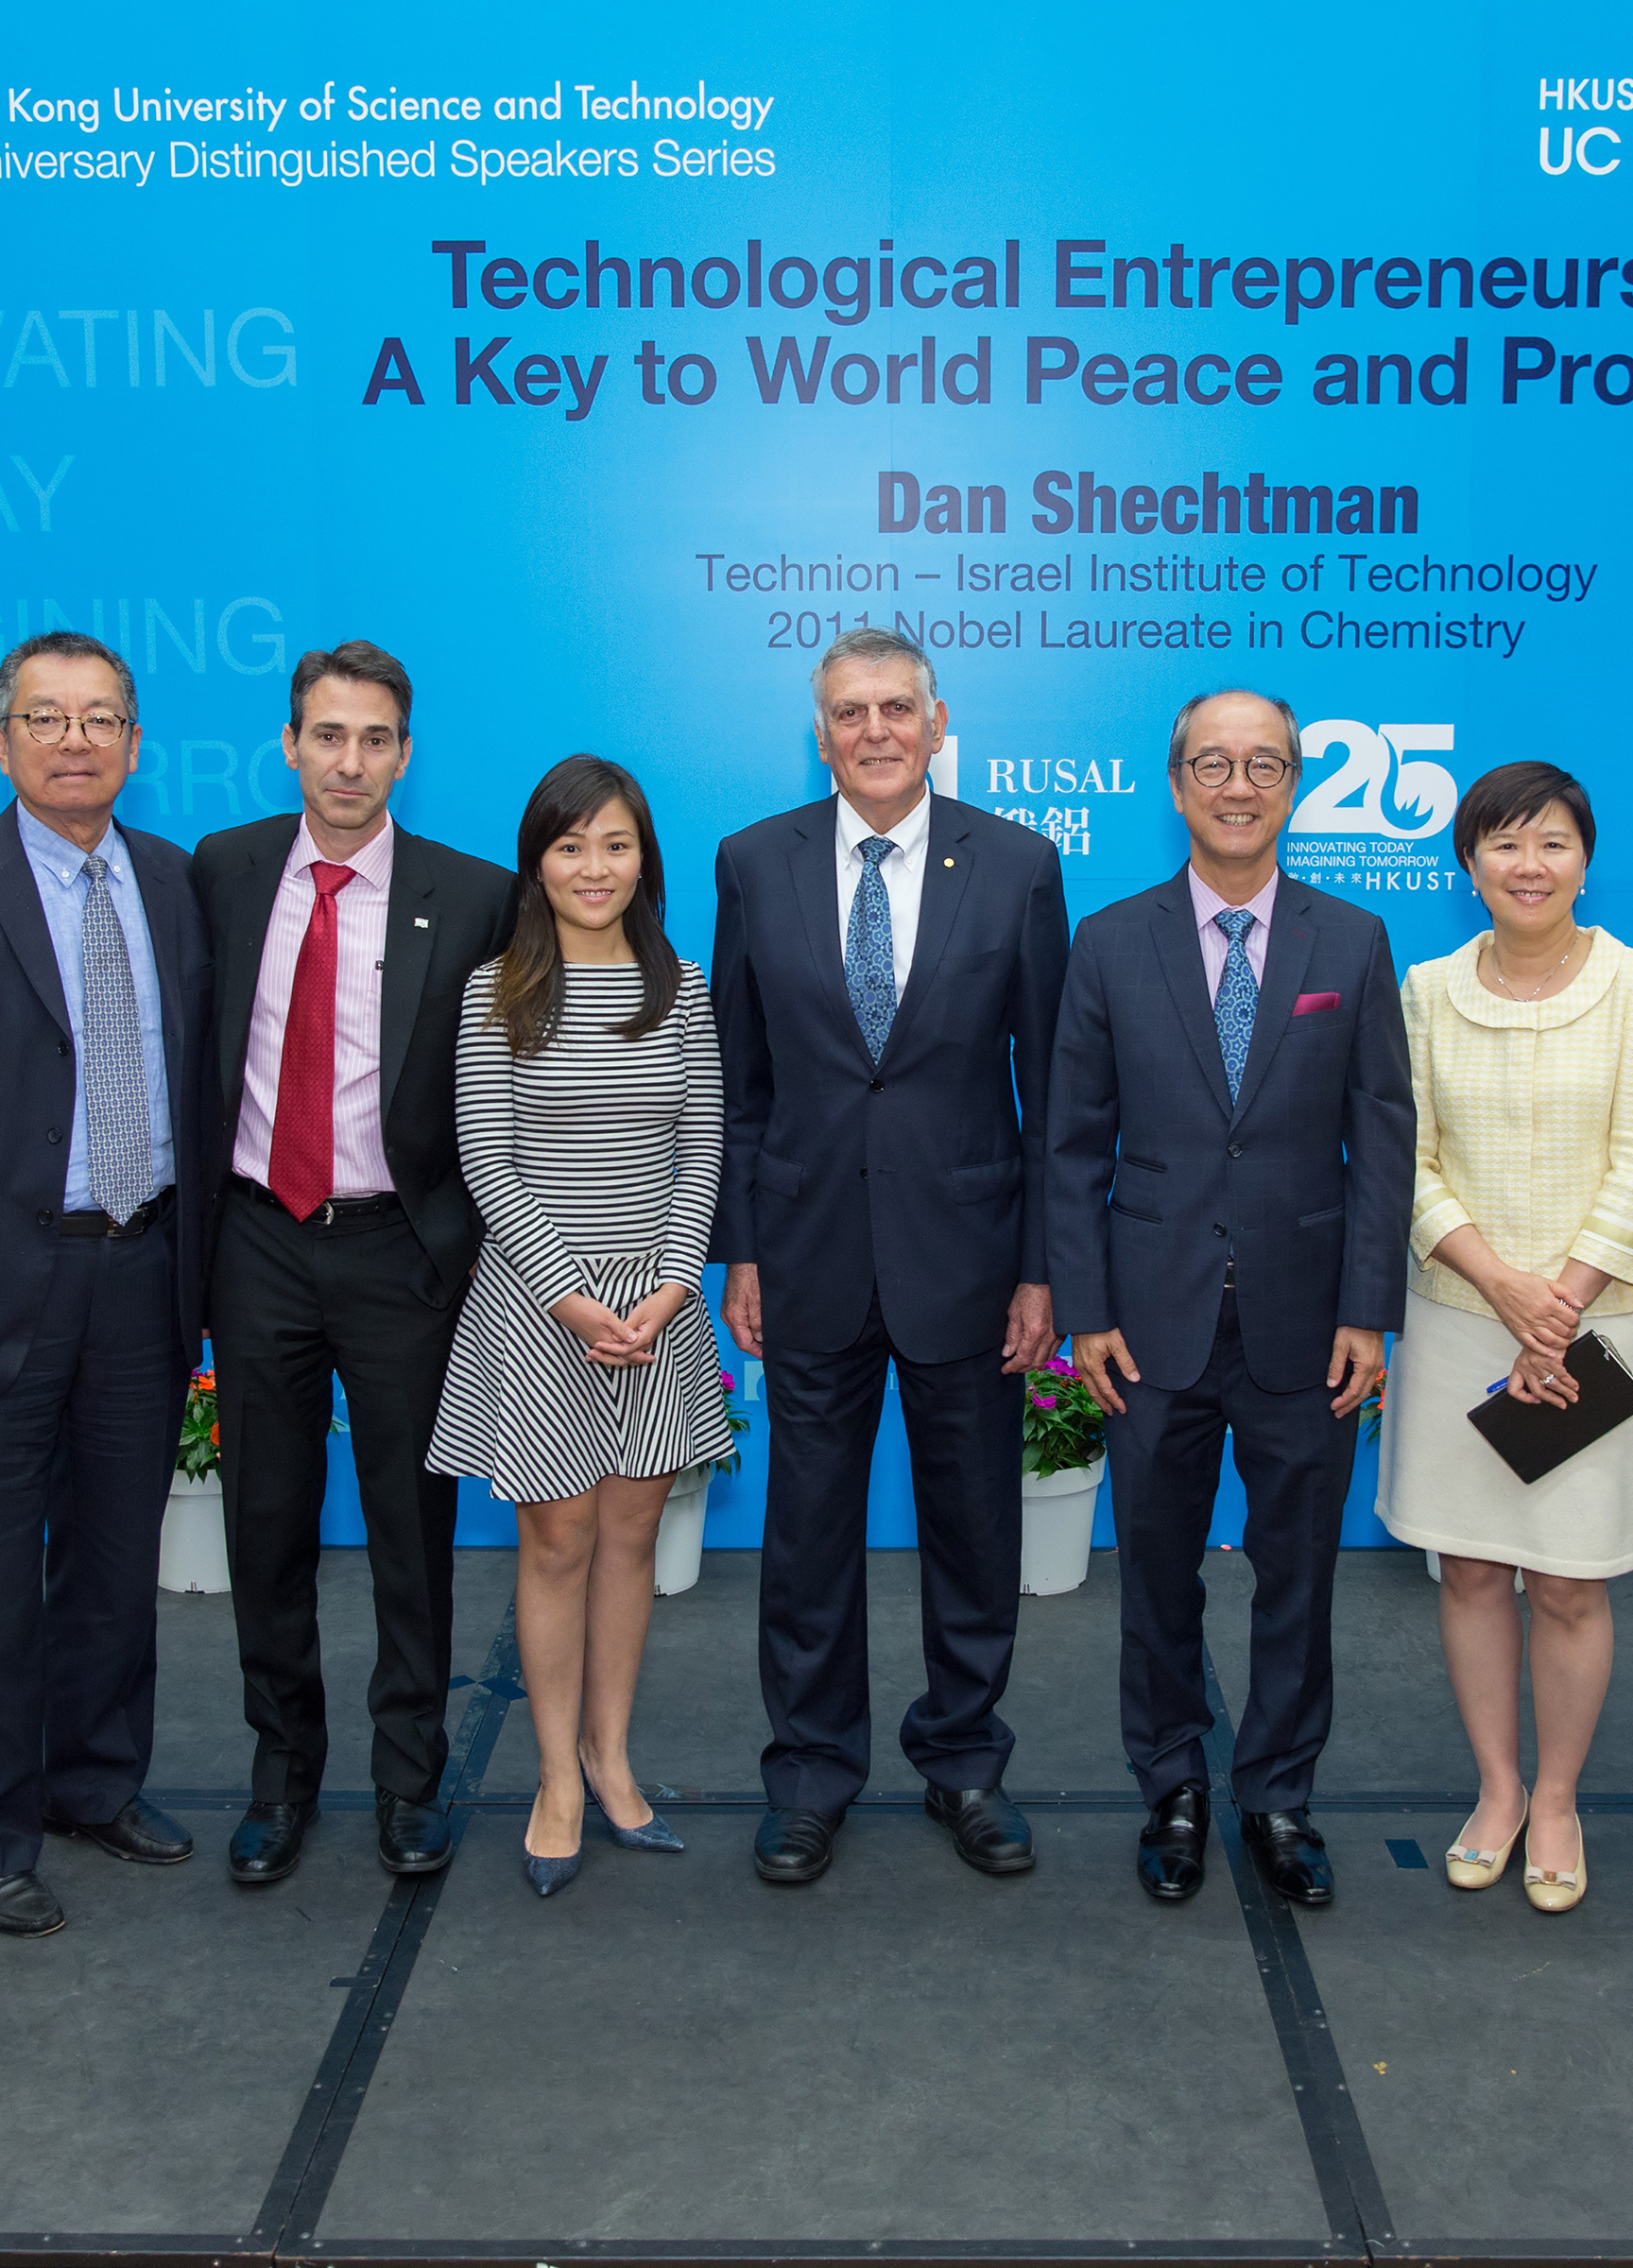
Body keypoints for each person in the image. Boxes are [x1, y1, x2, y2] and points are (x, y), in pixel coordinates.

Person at [0, 631, 215, 1937]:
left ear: (136, 743)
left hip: (144, 1271)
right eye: (47, 718)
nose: (77, 740)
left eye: (102, 719)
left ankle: (93, 1783)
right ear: (0, 739)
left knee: (121, 1562)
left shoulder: (182, 887)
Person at [713, 625, 1069, 1886]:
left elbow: (1053, 1090)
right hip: (806, 1253)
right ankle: (809, 1773)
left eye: (895, 709)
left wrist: (1042, 1269)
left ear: (936, 720)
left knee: (974, 1528)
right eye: (849, 711)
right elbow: (740, 1087)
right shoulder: (754, 863)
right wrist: (739, 1251)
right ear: (820, 731)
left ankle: (964, 1761)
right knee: (807, 1534)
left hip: (971, 1259)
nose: (873, 731)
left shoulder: (1019, 866)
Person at [1046, 689, 1410, 1910]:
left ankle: (1279, 1794)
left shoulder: (1350, 943)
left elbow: (1382, 1137)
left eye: (1264, 764)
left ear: (1297, 782)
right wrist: (1088, 1312)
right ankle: (1172, 1786)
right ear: (1175, 780)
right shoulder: (1109, 941)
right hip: (1151, 1321)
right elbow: (1074, 1146)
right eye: (1214, 762)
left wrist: (1370, 1308)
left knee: (1298, 1572)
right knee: (1154, 1568)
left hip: (1311, 1326)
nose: (1238, 784)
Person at [191, 641, 517, 1885]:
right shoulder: (221, 873)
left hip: (401, 1249)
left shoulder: (474, 893)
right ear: (290, 744)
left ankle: (407, 1782)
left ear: (406, 753)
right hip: (255, 1238)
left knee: (408, 1533)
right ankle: (281, 1781)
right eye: (328, 735)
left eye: (375, 739)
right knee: (264, 1523)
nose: (350, 761)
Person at [426, 758, 733, 1898]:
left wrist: (666, 1283)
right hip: (539, 1301)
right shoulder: (494, 988)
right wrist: (567, 1293)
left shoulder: (683, 988)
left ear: (643, 857)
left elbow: (703, 1145)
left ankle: (611, 1756)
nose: (593, 867)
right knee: (556, 1541)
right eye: (570, 847)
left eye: (615, 844)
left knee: (631, 1541)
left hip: (656, 1306)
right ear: (537, 861)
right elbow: (486, 1161)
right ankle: (555, 1774)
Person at [1379, 761, 1633, 1915]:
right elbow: (1406, 1160)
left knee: (1567, 1585)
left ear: (1585, 859)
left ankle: (1558, 1797)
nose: (1528, 866)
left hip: (1593, 1334)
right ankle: (1498, 1789)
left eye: (1551, 843)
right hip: (1462, 1318)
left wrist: (1556, 1307)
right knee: (1469, 1569)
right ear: (1467, 864)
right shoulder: (1425, 990)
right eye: (1503, 844)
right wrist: (1504, 1287)